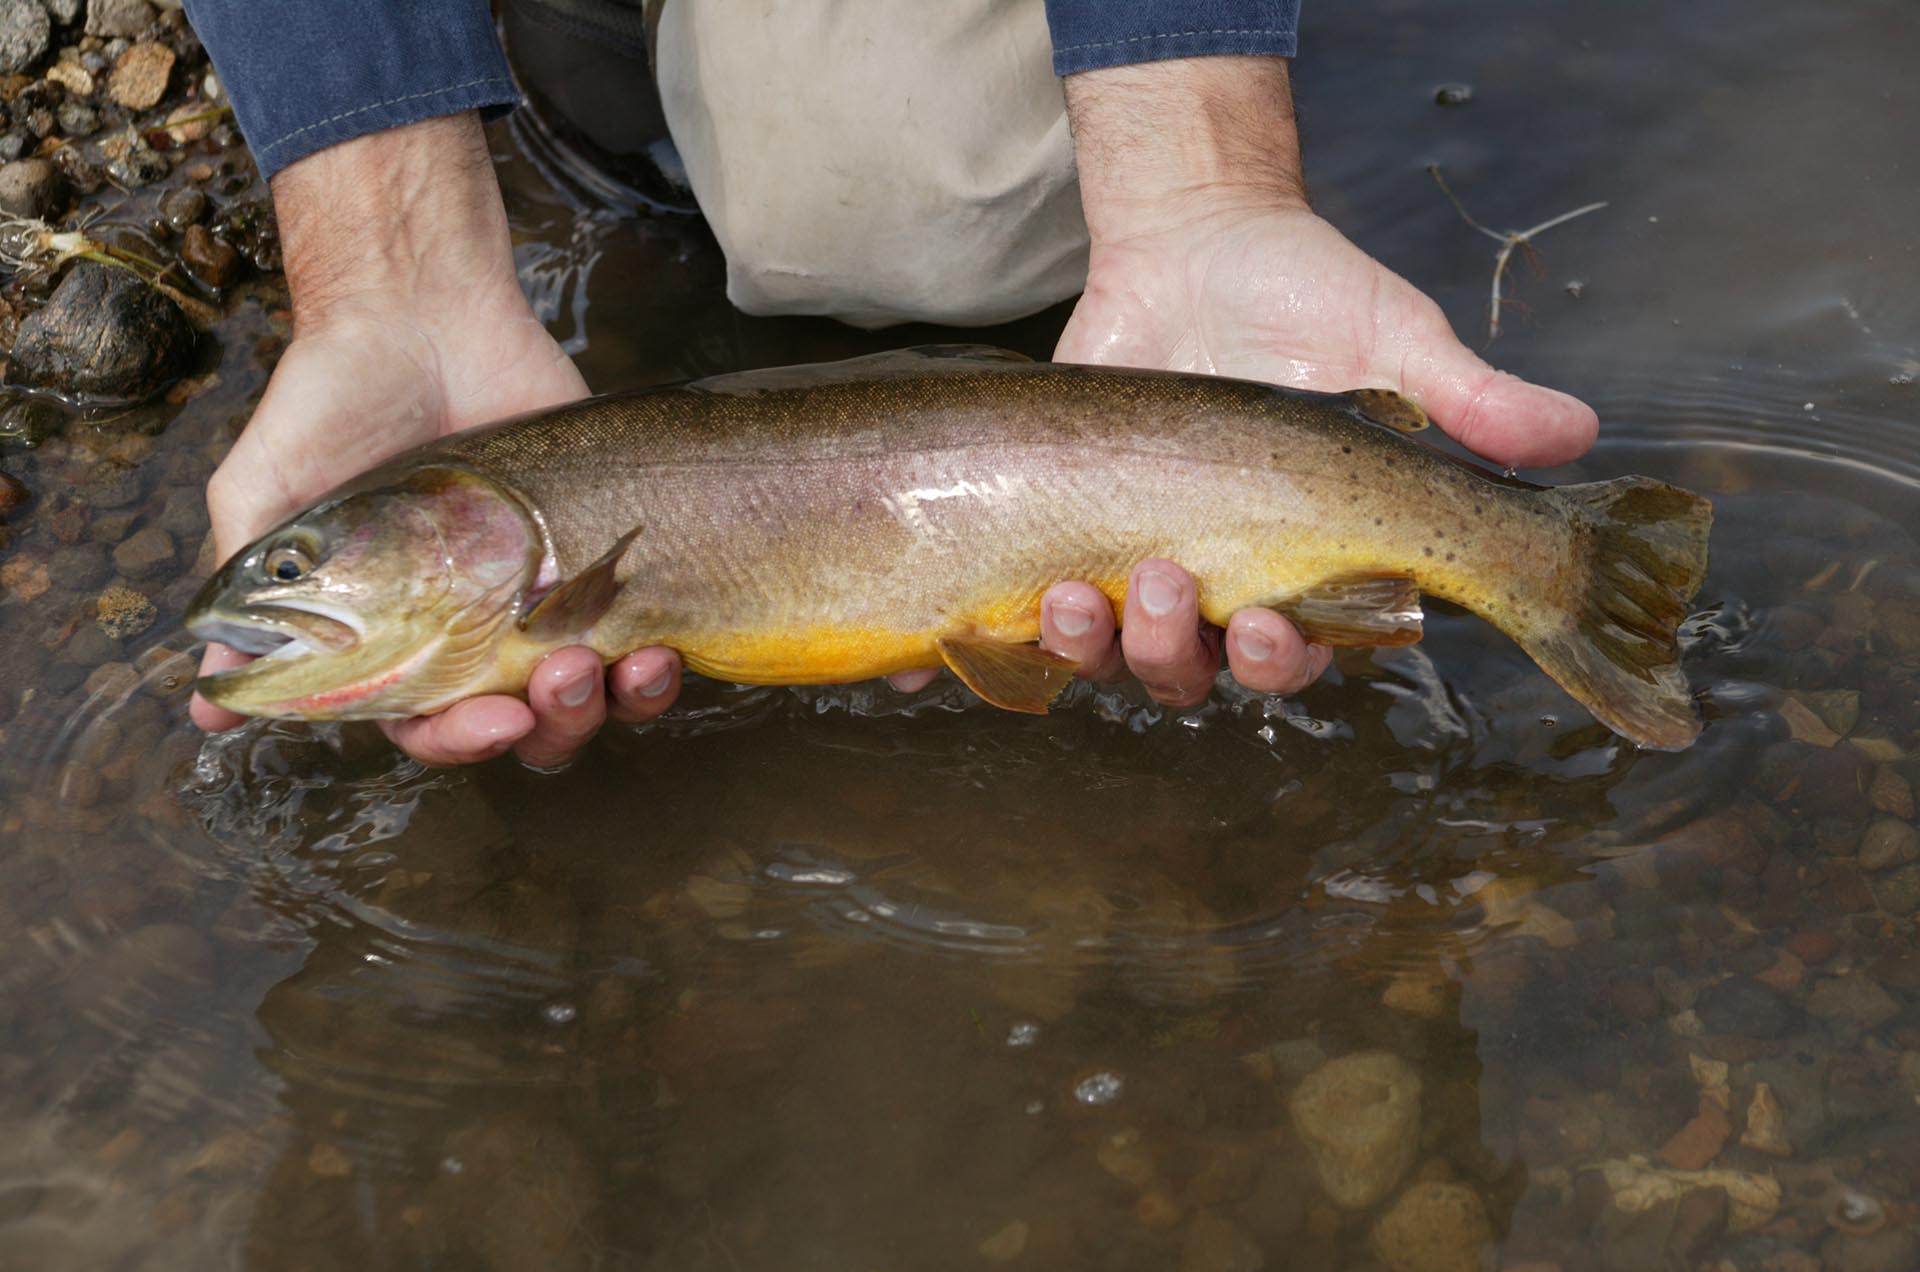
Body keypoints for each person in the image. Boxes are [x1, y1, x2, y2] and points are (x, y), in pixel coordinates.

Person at [180, 0, 1598, 768]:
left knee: (889, 202)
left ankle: (1554, 568)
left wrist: (1201, 174)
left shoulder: (543, 583)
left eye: (304, 556)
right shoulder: (515, 575)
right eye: (304, 560)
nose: (283, 576)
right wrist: (389, 264)